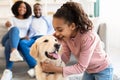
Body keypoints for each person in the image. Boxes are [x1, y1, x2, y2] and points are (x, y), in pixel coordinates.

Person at [41, 2, 113, 80]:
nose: (57, 33)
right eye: (55, 29)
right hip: (88, 69)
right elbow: (65, 57)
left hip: (103, 69)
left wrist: (55, 69)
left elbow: (80, 68)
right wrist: (54, 57)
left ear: (72, 26)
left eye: (60, 30)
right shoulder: (66, 36)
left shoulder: (88, 37)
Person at [18, 3, 54, 78]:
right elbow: (25, 28)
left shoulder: (47, 18)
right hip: (33, 38)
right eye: (35, 10)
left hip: (43, 38)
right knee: (22, 43)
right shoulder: (30, 19)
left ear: (42, 10)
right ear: (33, 11)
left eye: (39, 9)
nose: (37, 11)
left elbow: (51, 30)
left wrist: (48, 37)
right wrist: (25, 36)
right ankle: (34, 65)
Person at [1, 1, 32, 80]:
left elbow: (30, 32)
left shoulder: (29, 19)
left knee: (9, 43)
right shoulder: (11, 18)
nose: (22, 9)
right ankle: (14, 51)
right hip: (8, 37)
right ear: (16, 8)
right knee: (14, 29)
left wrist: (27, 37)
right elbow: (11, 32)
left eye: (24, 7)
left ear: (27, 9)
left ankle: (8, 71)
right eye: (20, 7)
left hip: (13, 42)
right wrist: (7, 24)